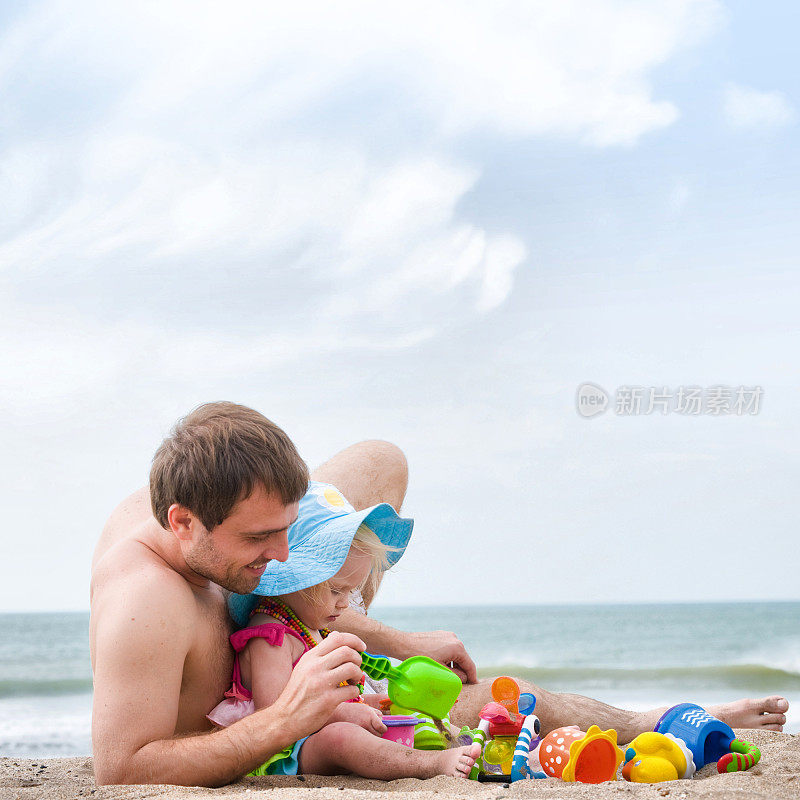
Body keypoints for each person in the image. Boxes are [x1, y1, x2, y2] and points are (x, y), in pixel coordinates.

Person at [90, 402, 789, 787]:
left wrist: (392, 638)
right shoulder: (144, 605)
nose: (279, 555)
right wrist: (287, 719)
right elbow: (121, 769)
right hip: (279, 721)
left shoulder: (219, 533)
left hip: (299, 657)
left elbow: (278, 561)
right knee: (511, 703)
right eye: (259, 541)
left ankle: (665, 719)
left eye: (288, 532)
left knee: (380, 461)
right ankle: (666, 720)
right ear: (182, 522)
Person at [208, 500, 480, 779]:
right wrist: (342, 715)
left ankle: (454, 744)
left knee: (406, 715)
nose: (344, 604)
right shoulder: (271, 635)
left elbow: (338, 697)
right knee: (342, 737)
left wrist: (375, 703)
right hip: (286, 752)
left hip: (317, 735)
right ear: (295, 579)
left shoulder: (313, 628)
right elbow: (276, 714)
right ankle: (429, 766)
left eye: (350, 591)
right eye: (337, 591)